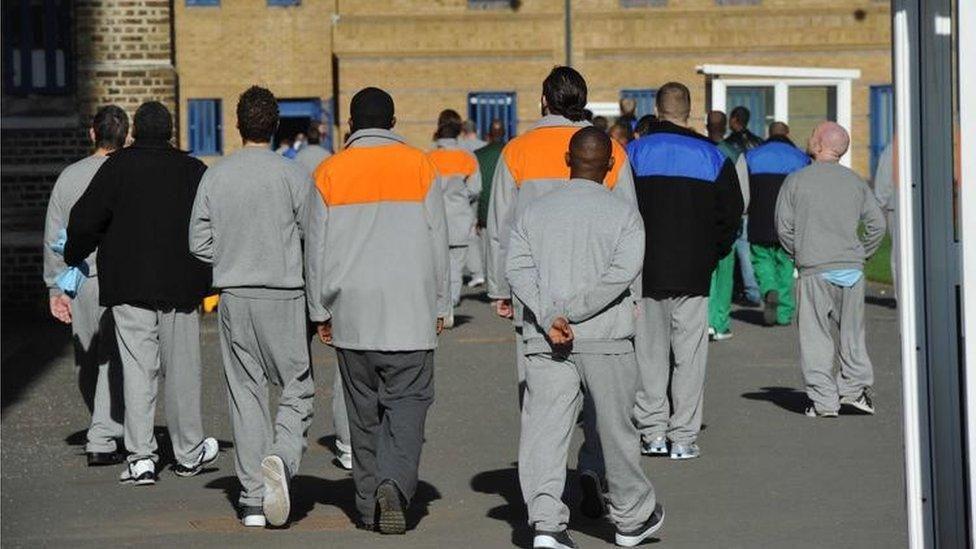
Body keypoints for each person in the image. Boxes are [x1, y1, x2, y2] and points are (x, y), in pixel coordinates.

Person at [487, 65, 637, 520]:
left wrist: (501, 287)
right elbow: (630, 222)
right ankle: (593, 467)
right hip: (599, 295)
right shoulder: (609, 150)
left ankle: (544, 499)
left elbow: (501, 228)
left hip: (538, 294)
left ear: (543, 101)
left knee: (543, 397)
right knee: (601, 395)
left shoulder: (517, 150)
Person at [507, 127, 664, 549]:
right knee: (616, 430)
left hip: (547, 338)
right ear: (612, 165)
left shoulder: (534, 213)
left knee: (545, 431)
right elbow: (621, 275)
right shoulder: (625, 215)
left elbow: (518, 269)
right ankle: (631, 518)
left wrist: (550, 314)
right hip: (607, 339)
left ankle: (545, 525)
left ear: (567, 159)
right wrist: (575, 311)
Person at [305, 87, 449, 535]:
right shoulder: (421, 166)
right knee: (408, 406)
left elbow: (316, 249)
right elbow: (437, 241)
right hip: (409, 311)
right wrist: (441, 303)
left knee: (362, 412)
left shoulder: (329, 171)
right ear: (393, 122)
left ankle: (367, 504)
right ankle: (394, 483)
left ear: (350, 124)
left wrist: (319, 310)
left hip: (353, 314)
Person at [65, 101, 217, 486]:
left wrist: (74, 254)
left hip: (128, 284)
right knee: (183, 370)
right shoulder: (193, 170)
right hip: (180, 286)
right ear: (170, 132)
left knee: (137, 371)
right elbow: (214, 224)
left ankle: (141, 458)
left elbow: (85, 219)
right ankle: (187, 452)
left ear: (135, 132)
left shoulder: (116, 167)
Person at [188, 86, 316, 528]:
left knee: (245, 393)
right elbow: (312, 238)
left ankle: (253, 499)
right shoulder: (293, 175)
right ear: (276, 125)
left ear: (237, 125)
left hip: (234, 294)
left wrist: (228, 257)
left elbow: (197, 242)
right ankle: (282, 455)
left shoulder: (216, 175)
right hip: (284, 292)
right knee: (297, 385)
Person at [629, 83, 743, 460]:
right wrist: (714, 252)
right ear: (689, 111)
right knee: (690, 357)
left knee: (649, 355)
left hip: (645, 271)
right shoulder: (712, 156)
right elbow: (732, 214)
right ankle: (683, 436)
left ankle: (652, 432)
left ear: (657, 110)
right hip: (694, 272)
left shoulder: (634, 153)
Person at [775, 122, 885, 418]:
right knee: (852, 334)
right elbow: (877, 225)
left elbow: (783, 227)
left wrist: (798, 253)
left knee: (815, 337)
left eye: (812, 135)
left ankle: (823, 401)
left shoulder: (796, 181)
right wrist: (862, 252)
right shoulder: (856, 181)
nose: (809, 138)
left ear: (820, 144)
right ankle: (854, 390)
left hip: (814, 268)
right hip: (850, 267)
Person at [43, 105, 129, 467]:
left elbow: (54, 235)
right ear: (125, 137)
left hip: (79, 278)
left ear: (92, 134)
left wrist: (54, 287)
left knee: (87, 359)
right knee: (120, 359)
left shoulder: (69, 177)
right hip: (121, 277)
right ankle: (107, 432)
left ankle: (101, 425)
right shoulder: (128, 174)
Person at [293, 124, 353, 473]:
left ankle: (345, 444)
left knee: (346, 366)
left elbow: (314, 237)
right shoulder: (333, 163)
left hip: (330, 273)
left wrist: (317, 307)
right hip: (375, 276)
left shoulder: (306, 164)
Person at [746, 122, 810, 327]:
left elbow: (744, 191)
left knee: (761, 260)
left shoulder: (752, 156)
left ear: (768, 134)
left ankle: (768, 289)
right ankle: (784, 313)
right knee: (786, 264)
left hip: (759, 220)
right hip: (789, 223)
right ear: (787, 134)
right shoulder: (801, 158)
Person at [427, 109, 482, 326]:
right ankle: (451, 304)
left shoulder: (428, 158)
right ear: (458, 134)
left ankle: (438, 306)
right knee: (456, 265)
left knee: (436, 264)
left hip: (434, 217)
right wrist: (460, 196)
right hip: (460, 215)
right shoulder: (467, 157)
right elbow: (476, 188)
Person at [704, 110, 750, 340]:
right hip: (728, 223)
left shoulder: (700, 151)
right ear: (726, 127)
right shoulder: (734, 155)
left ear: (706, 125)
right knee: (724, 277)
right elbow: (744, 195)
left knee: (705, 275)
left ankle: (704, 322)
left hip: (702, 222)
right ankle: (719, 323)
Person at [723, 106, 762, 307]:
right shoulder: (758, 144)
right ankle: (756, 289)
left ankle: (745, 290)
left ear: (734, 119)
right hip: (757, 200)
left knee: (739, 250)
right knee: (751, 249)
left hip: (739, 200)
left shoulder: (729, 146)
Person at [472, 119, 508, 288]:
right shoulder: (512, 151)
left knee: (489, 252)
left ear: (488, 134)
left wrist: (477, 216)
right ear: (504, 133)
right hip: (509, 212)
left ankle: (494, 289)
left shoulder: (478, 155)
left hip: (485, 212)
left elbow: (475, 188)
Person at [873, 141, 897, 294]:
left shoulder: (892, 149)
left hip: (897, 206)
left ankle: (901, 296)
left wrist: (880, 201)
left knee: (899, 255)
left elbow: (884, 179)